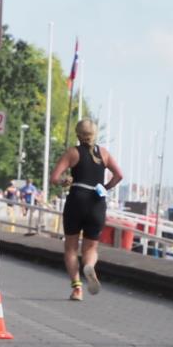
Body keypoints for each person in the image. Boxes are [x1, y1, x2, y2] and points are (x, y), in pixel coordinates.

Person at [49, 119, 123, 301]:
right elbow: (119, 175)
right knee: (90, 248)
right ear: (94, 135)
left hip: (76, 200)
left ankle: (77, 288)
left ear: (77, 134)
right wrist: (105, 187)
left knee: (71, 247)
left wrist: (64, 181)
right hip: (97, 202)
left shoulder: (73, 153)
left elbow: (54, 178)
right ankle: (89, 266)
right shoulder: (104, 153)